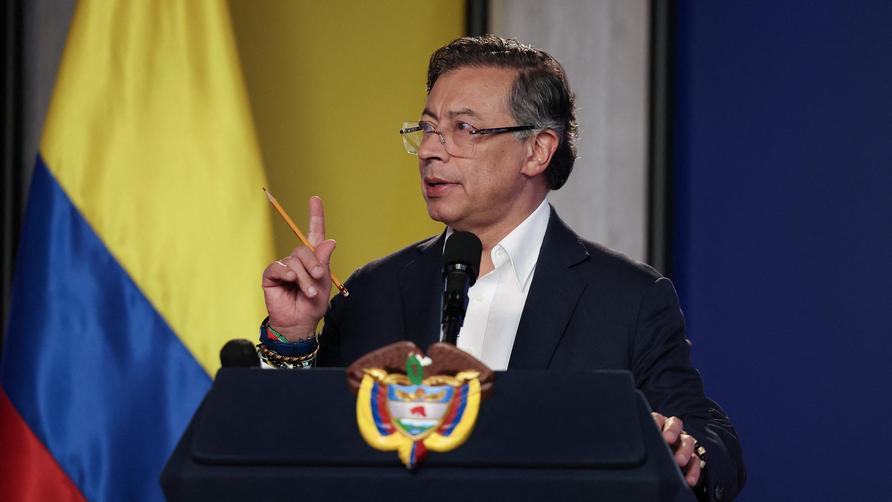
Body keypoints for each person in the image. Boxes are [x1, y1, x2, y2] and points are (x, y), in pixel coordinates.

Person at [260, 35, 745, 501]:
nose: (431, 149)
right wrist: (294, 336)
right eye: (428, 128)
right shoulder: (372, 290)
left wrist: (688, 454)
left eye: (463, 129)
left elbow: (707, 436)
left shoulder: (626, 298)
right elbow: (296, 445)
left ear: (537, 150)